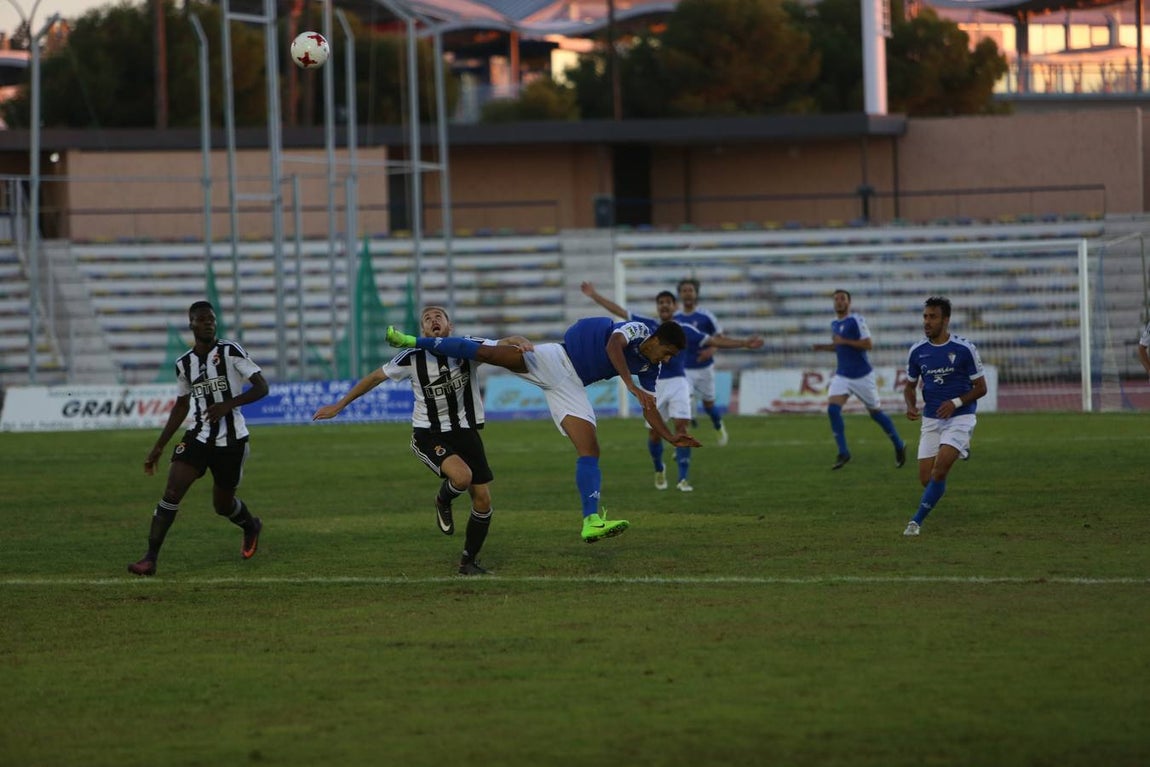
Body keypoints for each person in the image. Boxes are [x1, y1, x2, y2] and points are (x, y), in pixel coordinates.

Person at [385, 316, 701, 542]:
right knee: (488, 353)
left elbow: (650, 406)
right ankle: (413, 340)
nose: (668, 359)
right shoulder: (639, 329)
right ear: (658, 340)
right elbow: (613, 346)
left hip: (572, 386)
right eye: (668, 352)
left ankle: (591, 521)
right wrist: (630, 385)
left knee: (590, 450)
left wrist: (671, 436)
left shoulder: (651, 366)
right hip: (555, 359)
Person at [312, 306, 498, 576]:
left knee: (483, 501)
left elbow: (497, 348)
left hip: (466, 431)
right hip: (429, 433)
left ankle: (468, 562)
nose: (433, 321)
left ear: (450, 326)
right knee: (461, 478)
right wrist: (339, 405)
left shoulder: (467, 347)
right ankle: (442, 500)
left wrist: (515, 341)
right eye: (427, 319)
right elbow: (376, 377)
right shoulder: (411, 357)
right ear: (422, 331)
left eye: (438, 317)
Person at [128, 300, 269, 576]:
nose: (209, 323)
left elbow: (262, 387)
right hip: (198, 437)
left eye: (212, 319)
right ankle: (150, 559)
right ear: (191, 324)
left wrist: (229, 404)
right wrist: (158, 447)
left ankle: (250, 525)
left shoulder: (230, 351)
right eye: (203, 319)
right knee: (171, 493)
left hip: (232, 441)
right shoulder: (184, 364)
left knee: (223, 505)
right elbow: (181, 406)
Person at [580, 281, 763, 492]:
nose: (664, 306)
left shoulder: (684, 330)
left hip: (678, 382)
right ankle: (659, 468)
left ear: (674, 306)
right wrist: (594, 295)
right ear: (657, 307)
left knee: (682, 427)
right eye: (661, 303)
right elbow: (619, 310)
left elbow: (713, 341)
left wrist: (743, 343)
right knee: (654, 434)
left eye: (668, 302)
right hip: (654, 385)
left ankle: (683, 479)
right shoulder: (645, 325)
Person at [901, 296, 988, 537]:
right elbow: (909, 386)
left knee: (939, 472)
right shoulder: (917, 351)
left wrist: (956, 402)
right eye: (925, 317)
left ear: (946, 320)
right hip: (931, 419)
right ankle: (961, 448)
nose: (927, 322)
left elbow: (981, 388)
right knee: (926, 479)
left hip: (961, 416)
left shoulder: (964, 349)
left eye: (933, 317)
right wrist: (910, 405)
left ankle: (916, 521)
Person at [812, 289, 907, 470]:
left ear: (849, 302)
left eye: (842, 299)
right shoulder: (834, 324)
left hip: (862, 375)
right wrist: (824, 347)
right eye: (836, 299)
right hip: (842, 375)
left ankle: (898, 444)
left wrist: (844, 342)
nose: (839, 302)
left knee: (876, 413)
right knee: (833, 409)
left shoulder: (856, 320)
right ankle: (843, 452)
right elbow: (839, 347)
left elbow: (868, 344)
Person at [674, 277, 730, 446]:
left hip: (705, 368)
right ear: (680, 294)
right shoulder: (675, 318)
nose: (687, 294)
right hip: (684, 369)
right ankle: (683, 441)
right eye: (684, 291)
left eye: (690, 290)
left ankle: (718, 425)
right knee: (684, 401)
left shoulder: (706, 316)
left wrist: (711, 350)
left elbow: (719, 336)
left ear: (696, 294)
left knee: (709, 405)